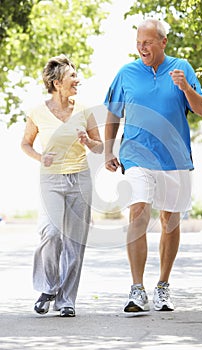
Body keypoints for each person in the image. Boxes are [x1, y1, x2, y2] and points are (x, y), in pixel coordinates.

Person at [104, 18, 202, 313]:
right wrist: (108, 152)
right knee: (137, 213)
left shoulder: (182, 67)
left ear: (163, 42)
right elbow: (113, 114)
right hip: (136, 156)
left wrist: (186, 87)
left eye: (148, 42)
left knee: (170, 222)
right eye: (138, 42)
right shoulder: (126, 73)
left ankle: (162, 286)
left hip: (174, 159)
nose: (142, 47)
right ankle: (137, 289)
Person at [21, 54, 103, 317]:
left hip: (80, 178)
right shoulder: (37, 112)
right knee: (50, 233)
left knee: (74, 243)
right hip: (52, 179)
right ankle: (48, 287)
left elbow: (99, 146)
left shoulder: (84, 109)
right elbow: (25, 143)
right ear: (56, 83)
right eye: (72, 76)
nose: (77, 80)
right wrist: (39, 157)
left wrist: (88, 143)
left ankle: (67, 300)